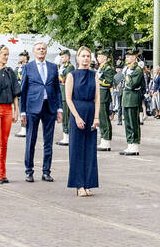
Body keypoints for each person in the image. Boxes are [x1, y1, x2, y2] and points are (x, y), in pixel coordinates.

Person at [19, 42, 61, 181]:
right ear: (34, 52)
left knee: (48, 141)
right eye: (38, 49)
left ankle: (46, 171)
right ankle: (29, 171)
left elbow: (57, 90)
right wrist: (22, 111)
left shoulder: (53, 67)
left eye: (43, 49)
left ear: (46, 51)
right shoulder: (28, 67)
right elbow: (23, 91)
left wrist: (59, 109)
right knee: (31, 140)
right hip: (32, 108)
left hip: (49, 107)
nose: (41, 51)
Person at [64, 46, 101, 196]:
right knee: (77, 150)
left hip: (91, 111)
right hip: (77, 111)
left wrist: (97, 117)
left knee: (90, 150)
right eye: (83, 56)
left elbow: (98, 98)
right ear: (78, 58)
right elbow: (68, 98)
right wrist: (77, 117)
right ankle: (79, 185)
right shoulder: (72, 75)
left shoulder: (94, 75)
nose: (85, 58)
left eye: (88, 56)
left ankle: (88, 184)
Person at [0, 44, 18, 182]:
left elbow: (15, 93)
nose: (6, 57)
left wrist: (16, 110)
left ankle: (3, 173)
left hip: (8, 109)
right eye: (4, 54)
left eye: (7, 55)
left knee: (5, 142)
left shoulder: (10, 71)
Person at [116, 51, 147, 156]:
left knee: (134, 123)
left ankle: (135, 145)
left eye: (129, 56)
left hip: (133, 97)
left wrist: (127, 75)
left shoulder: (137, 70)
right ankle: (130, 143)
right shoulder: (127, 69)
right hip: (126, 97)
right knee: (128, 123)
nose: (127, 58)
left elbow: (133, 84)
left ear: (135, 57)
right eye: (127, 56)